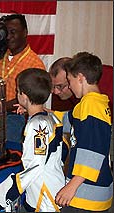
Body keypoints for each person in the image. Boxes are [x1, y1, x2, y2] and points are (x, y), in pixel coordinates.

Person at [0, 68, 69, 212]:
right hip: (54, 182)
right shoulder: (51, 117)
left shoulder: (36, 125)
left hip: (44, 194)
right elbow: (64, 147)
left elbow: (35, 165)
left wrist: (8, 191)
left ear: (24, 96)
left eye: (18, 91)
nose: (16, 94)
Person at [55, 52, 113, 212]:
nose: (70, 86)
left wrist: (72, 186)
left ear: (80, 78)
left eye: (70, 81)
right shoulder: (90, 103)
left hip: (87, 193)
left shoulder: (91, 106)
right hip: (88, 189)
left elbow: (93, 149)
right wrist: (40, 111)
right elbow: (67, 120)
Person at [0, 14, 46, 143]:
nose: (9, 37)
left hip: (18, 116)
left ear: (25, 33)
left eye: (13, 32)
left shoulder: (35, 63)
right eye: (6, 33)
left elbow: (31, 98)